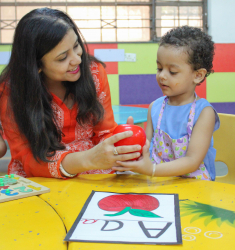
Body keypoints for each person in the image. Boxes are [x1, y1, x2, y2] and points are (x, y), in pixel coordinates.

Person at [0, 8, 141, 178]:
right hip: (39, 176)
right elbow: (26, 157)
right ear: (36, 66)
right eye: (62, 58)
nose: (77, 59)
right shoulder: (10, 91)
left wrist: (123, 144)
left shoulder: (95, 73)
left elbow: (105, 133)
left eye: (76, 46)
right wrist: (87, 160)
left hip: (94, 169)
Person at [113, 26, 220, 181]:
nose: (162, 76)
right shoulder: (154, 108)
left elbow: (192, 161)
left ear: (198, 75)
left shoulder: (204, 113)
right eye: (159, 68)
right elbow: (146, 151)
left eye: (172, 72)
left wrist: (153, 170)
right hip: (158, 182)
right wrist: (133, 142)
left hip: (194, 186)